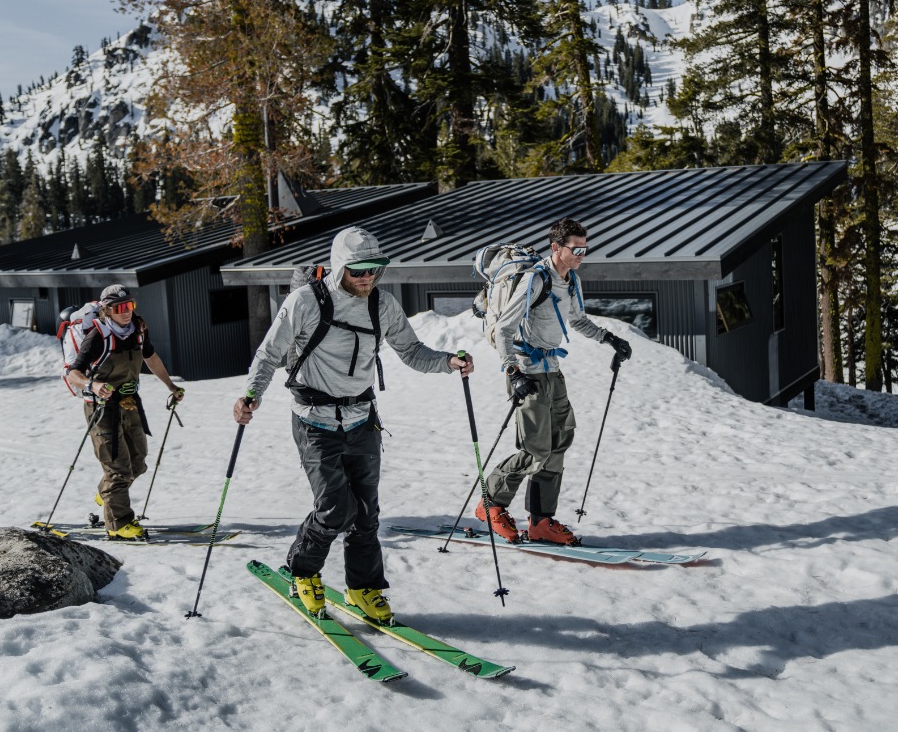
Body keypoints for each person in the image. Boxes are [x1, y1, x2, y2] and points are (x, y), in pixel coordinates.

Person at [233, 226, 474, 623]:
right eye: (358, 269)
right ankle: (302, 572)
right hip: (314, 420)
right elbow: (268, 352)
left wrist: (449, 361)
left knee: (366, 514)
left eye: (374, 269)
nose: (366, 277)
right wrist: (250, 396)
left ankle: (364, 588)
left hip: (362, 418)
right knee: (334, 509)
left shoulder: (382, 304)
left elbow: (412, 352)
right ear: (340, 265)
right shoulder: (306, 301)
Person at [476, 217, 631, 546]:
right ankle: (490, 504)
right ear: (556, 247)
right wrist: (512, 372)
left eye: (585, 249)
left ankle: (541, 521)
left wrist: (610, 339)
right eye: (576, 249)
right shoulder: (535, 279)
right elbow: (504, 329)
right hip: (526, 371)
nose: (581, 255)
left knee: (559, 443)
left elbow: (577, 320)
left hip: (552, 369)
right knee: (535, 450)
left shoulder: (571, 280)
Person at [65, 284, 186, 540]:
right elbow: (73, 373)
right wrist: (92, 385)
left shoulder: (138, 331)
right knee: (117, 468)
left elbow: (150, 357)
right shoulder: (98, 335)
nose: (126, 312)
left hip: (129, 402)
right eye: (120, 308)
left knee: (138, 462)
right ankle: (119, 525)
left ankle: (107, 493)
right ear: (107, 310)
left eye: (130, 306)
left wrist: (171, 385)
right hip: (101, 408)